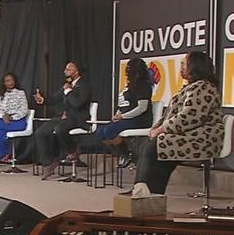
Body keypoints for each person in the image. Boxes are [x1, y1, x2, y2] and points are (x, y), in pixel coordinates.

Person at [135, 51, 224, 195]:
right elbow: (172, 113)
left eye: (183, 64)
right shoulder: (192, 86)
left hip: (201, 139)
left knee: (152, 147)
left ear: (194, 67)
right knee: (150, 146)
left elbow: (190, 117)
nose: (180, 67)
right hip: (187, 135)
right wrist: (157, 127)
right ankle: (146, 191)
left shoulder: (204, 87)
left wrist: (162, 129)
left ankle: (143, 191)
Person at [33, 61, 92, 180]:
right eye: (65, 69)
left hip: (78, 118)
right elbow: (55, 99)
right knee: (40, 133)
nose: (65, 72)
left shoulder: (84, 86)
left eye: (69, 69)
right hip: (63, 117)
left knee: (59, 129)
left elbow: (77, 104)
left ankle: (73, 151)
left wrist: (68, 92)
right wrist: (43, 100)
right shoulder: (67, 85)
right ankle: (48, 163)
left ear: (76, 72)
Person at [96, 57, 152, 167]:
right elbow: (123, 104)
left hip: (139, 120)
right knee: (100, 132)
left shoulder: (143, 85)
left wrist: (123, 116)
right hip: (125, 118)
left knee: (109, 131)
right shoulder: (129, 86)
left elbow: (142, 108)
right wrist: (117, 114)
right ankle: (121, 153)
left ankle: (128, 155)